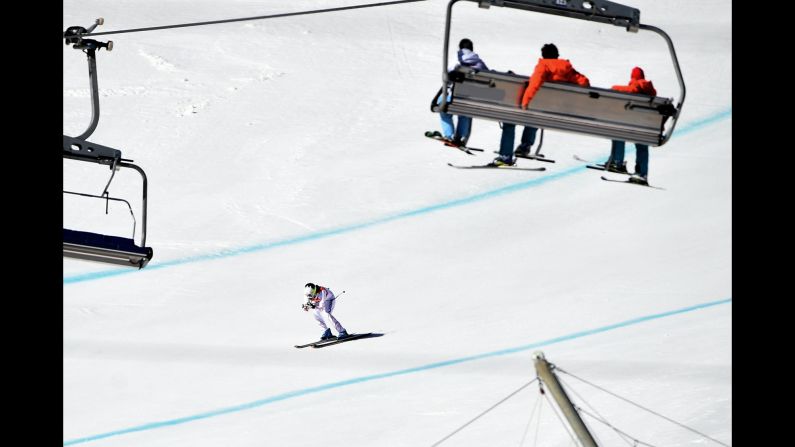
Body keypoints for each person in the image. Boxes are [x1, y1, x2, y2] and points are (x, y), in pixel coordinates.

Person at [493, 43, 589, 166]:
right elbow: (584, 81)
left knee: (510, 120)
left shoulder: (544, 66)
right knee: (535, 117)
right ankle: (525, 146)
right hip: (552, 108)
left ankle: (506, 155)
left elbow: (534, 84)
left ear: (543, 56)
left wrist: (525, 102)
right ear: (557, 56)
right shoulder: (567, 68)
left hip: (537, 106)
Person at [427, 38, 489, 147]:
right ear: (472, 48)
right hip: (469, 99)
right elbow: (487, 77)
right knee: (464, 114)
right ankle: (459, 137)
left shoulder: (456, 58)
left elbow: (448, 76)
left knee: (444, 111)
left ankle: (449, 135)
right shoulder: (479, 62)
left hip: (452, 97)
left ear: (460, 48)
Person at [605, 67, 657, 185]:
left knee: (619, 130)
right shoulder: (648, 88)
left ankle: (617, 162)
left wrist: (615, 88)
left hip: (633, 125)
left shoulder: (638, 84)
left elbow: (633, 90)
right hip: (647, 126)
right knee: (642, 146)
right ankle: (642, 173)